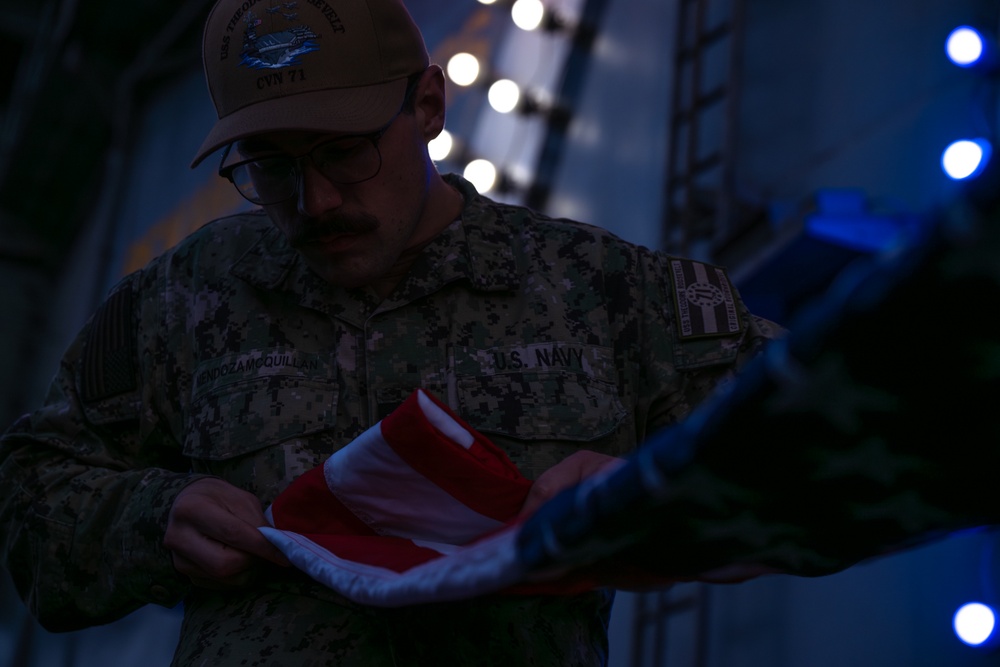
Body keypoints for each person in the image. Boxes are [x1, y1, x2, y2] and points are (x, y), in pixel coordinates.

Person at [0, 0, 781, 664]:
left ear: (429, 106)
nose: (315, 201)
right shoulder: (186, 297)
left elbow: (816, 440)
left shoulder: (597, 285)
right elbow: (34, 498)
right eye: (271, 165)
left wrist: (651, 492)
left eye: (344, 152)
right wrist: (151, 518)